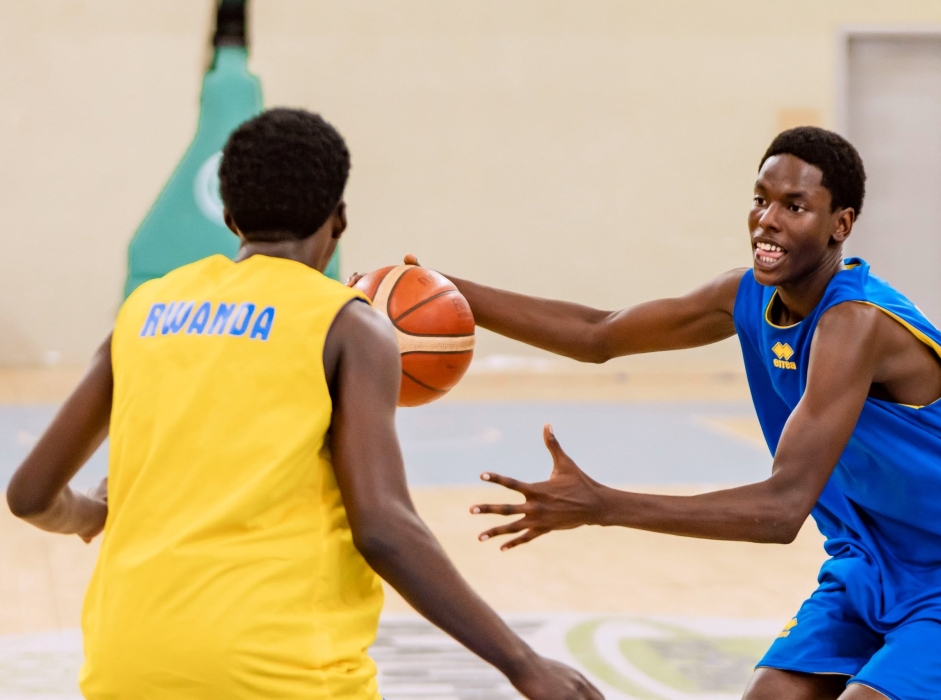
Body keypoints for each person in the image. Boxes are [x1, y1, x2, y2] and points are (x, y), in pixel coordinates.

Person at [416, 127, 941, 700]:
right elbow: (597, 333)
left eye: (794, 207)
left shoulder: (856, 324)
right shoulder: (743, 295)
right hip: (869, 562)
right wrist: (444, 291)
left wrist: (604, 505)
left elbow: (780, 511)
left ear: (841, 224)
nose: (767, 221)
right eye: (761, 199)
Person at [6, 108, 601, 700]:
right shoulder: (346, 325)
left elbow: (29, 495)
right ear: (338, 219)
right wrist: (521, 662)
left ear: (231, 217)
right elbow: (384, 528)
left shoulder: (144, 311)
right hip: (278, 671)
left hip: (125, 666)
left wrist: (91, 513)